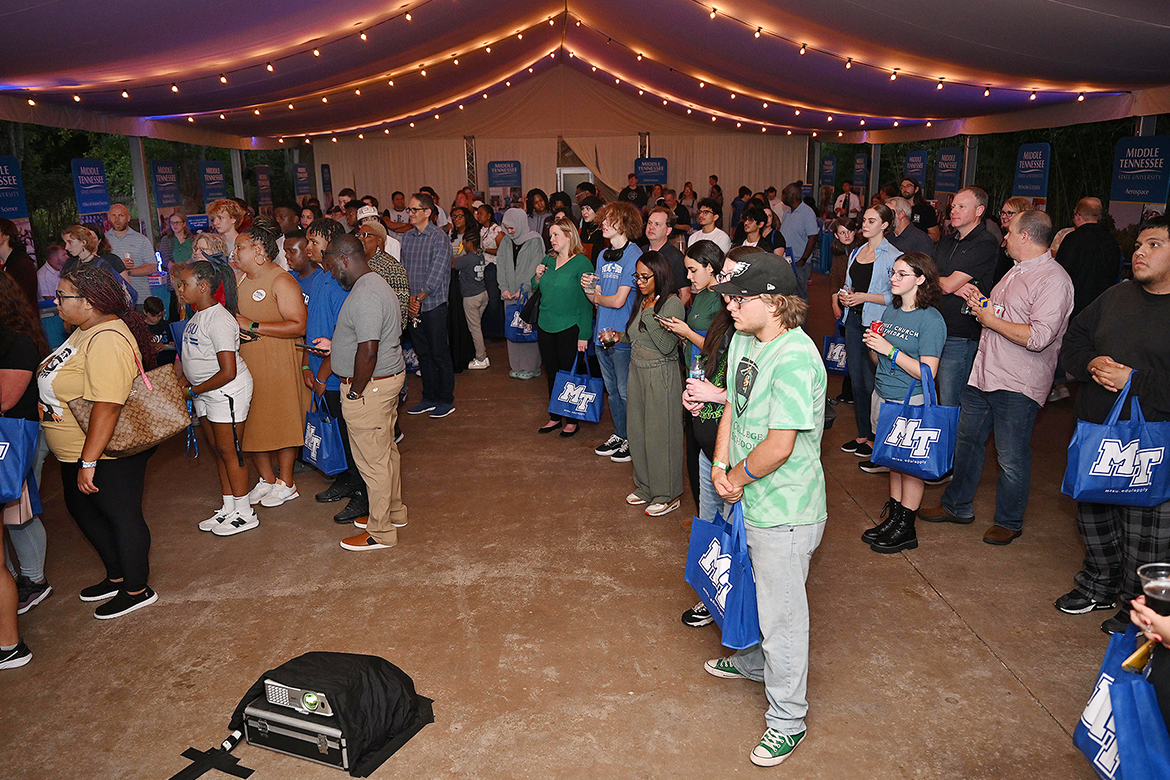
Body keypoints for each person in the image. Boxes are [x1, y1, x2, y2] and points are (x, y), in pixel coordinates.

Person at [704, 251, 827, 768]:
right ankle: (756, 661)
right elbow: (733, 404)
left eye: (740, 297)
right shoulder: (742, 341)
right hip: (745, 493)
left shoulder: (797, 356)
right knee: (754, 592)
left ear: (775, 302)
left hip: (787, 508)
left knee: (783, 616)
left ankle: (787, 720)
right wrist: (719, 462)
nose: (729, 305)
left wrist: (734, 479)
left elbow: (780, 445)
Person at [921, 210, 1074, 545]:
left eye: (1010, 231)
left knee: (1011, 456)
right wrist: (982, 303)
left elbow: (1038, 337)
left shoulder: (1054, 280)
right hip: (985, 374)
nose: (1003, 238)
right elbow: (1006, 314)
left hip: (1018, 382)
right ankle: (957, 506)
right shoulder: (1015, 272)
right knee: (968, 443)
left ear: (1025, 236)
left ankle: (1009, 520)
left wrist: (989, 319)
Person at [1057, 214, 1170, 634]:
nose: (1139, 252)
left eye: (1154, 244)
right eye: (1138, 244)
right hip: (1097, 430)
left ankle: (1136, 603)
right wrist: (1088, 362)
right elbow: (1074, 338)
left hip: (1153, 438)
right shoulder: (1117, 295)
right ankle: (1098, 584)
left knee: (1146, 531)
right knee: (1093, 516)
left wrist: (1133, 382)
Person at [38, 263, 160, 619]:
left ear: (88, 302)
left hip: (104, 452)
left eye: (62, 296)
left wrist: (89, 461)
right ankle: (117, 574)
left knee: (121, 514)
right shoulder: (83, 330)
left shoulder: (105, 339)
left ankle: (137, 588)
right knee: (85, 511)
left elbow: (107, 405)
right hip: (76, 449)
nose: (56, 301)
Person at [319, 235, 408, 552]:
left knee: (373, 463)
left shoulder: (367, 294)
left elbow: (368, 350)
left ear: (344, 259)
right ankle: (394, 512)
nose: (331, 273)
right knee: (385, 454)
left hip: (371, 387)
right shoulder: (372, 285)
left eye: (331, 266)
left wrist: (355, 392)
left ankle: (381, 531)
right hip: (382, 383)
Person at [857, 252, 946, 553]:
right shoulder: (892, 312)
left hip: (911, 400)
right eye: (893, 273)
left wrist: (890, 350)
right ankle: (894, 518)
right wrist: (874, 346)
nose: (892, 278)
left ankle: (906, 527)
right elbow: (880, 359)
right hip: (884, 395)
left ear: (921, 279)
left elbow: (927, 372)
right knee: (893, 462)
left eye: (901, 274)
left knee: (910, 466)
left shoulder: (931, 320)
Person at [173, 257, 256, 536]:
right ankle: (229, 506)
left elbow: (228, 371)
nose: (180, 289)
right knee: (219, 452)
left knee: (232, 452)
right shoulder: (197, 316)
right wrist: (185, 383)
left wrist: (193, 389)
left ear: (204, 286)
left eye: (185, 284)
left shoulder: (220, 319)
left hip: (225, 391)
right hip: (205, 393)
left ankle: (245, 513)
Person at [233, 225, 309, 508]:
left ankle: (286, 482)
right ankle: (266, 479)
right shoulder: (239, 280)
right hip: (247, 362)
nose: (235, 252)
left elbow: (298, 324)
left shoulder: (282, 281)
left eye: (241, 247)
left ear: (260, 252)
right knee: (253, 421)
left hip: (278, 360)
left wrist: (252, 325)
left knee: (281, 419)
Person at [305, 218, 368, 526]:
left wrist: (321, 376)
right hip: (319, 371)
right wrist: (308, 365)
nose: (308, 248)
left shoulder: (343, 283)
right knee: (340, 433)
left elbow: (342, 336)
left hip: (335, 373)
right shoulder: (320, 278)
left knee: (352, 433)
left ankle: (362, 490)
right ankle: (347, 477)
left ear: (332, 244)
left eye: (313, 242)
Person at [0, 273, 51, 619]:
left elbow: (5, 399)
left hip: (18, 434)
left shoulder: (17, 340)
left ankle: (34, 580)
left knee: (20, 512)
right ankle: (12, 580)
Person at [622, 251, 684, 515]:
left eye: (645, 276)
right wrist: (618, 336)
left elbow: (667, 345)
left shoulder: (672, 304)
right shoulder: (644, 299)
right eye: (637, 276)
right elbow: (637, 336)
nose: (640, 281)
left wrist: (648, 315)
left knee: (661, 435)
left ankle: (668, 494)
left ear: (659, 275)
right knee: (638, 432)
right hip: (637, 372)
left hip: (661, 374)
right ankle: (646, 486)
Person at [838, 205, 899, 465]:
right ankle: (863, 434)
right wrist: (845, 295)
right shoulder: (856, 252)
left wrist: (864, 297)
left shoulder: (894, 256)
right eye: (864, 220)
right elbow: (849, 284)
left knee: (874, 380)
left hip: (876, 324)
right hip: (852, 320)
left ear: (885, 225)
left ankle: (877, 436)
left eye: (872, 221)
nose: (864, 224)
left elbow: (895, 294)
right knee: (857, 380)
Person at [931, 187, 1002, 412]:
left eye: (962, 207)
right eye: (953, 207)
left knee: (951, 403)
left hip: (960, 334)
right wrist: (943, 283)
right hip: (934, 327)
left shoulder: (985, 242)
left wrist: (944, 284)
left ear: (979, 210)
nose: (954, 211)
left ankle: (952, 448)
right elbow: (922, 276)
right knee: (931, 395)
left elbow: (943, 283)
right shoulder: (947, 241)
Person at [584, 201, 643, 464]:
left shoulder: (634, 255)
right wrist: (588, 288)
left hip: (622, 335)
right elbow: (594, 298)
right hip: (601, 333)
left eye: (610, 219)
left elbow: (619, 301)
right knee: (612, 390)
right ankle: (619, 434)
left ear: (625, 223)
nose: (604, 223)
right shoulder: (602, 255)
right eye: (604, 219)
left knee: (624, 390)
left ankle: (632, 438)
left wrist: (597, 297)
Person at [532, 218, 594, 436]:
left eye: (556, 234)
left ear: (569, 235)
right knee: (552, 373)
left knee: (570, 374)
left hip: (570, 326)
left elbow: (587, 301)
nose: (552, 239)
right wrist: (538, 276)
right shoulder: (549, 259)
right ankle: (555, 416)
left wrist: (584, 334)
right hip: (545, 324)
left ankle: (572, 419)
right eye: (550, 235)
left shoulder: (583, 263)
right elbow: (535, 285)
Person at [402, 193, 456, 417]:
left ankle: (446, 399)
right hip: (414, 305)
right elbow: (403, 271)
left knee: (439, 353)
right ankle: (429, 397)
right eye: (409, 209)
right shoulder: (408, 237)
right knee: (422, 354)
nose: (411, 214)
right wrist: (410, 301)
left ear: (428, 212)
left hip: (433, 304)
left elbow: (436, 274)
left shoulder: (438, 237)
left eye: (415, 210)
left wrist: (418, 299)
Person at [497, 207, 545, 380]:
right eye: (507, 228)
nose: (510, 231)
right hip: (509, 294)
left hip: (528, 294)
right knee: (513, 330)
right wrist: (504, 288)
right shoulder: (505, 241)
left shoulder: (534, 240)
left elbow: (537, 266)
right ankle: (516, 365)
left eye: (512, 227)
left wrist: (523, 289)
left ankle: (531, 367)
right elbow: (500, 265)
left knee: (528, 331)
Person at [1056, 197, 1124, 320]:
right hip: (1101, 309)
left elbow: (1060, 273)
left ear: (1077, 215)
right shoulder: (1111, 241)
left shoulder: (1072, 239)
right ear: (1099, 216)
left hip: (1074, 309)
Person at [452, 220, 490, 370]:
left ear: (468, 243)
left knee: (475, 329)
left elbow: (452, 264)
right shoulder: (479, 255)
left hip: (471, 298)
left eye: (464, 244)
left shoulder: (467, 258)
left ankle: (481, 358)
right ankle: (479, 354)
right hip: (483, 294)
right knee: (476, 327)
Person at [105, 204, 156, 304]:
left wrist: (126, 272)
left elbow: (153, 267)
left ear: (128, 218)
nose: (117, 219)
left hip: (140, 298)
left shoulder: (142, 240)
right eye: (113, 215)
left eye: (121, 215)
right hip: (113, 301)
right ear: (109, 218)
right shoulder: (103, 241)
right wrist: (118, 267)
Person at [779, 183, 821, 301]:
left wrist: (803, 259)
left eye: (785, 193)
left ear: (793, 195)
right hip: (786, 260)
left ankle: (801, 320)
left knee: (799, 296)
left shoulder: (807, 213)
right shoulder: (787, 212)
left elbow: (813, 237)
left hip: (799, 262)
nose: (782, 196)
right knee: (787, 295)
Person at [642, 206, 690, 307]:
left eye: (657, 224)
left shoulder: (676, 257)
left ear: (668, 231)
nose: (651, 227)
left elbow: (685, 294)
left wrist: (669, 317)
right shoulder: (640, 252)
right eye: (649, 223)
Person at [991, 197, 1034, 284]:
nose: (1004, 216)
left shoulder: (1024, 240)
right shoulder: (1005, 237)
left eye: (1009, 213)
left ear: (1022, 215)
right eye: (1002, 212)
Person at [900, 177, 940, 242]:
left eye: (908, 186)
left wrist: (918, 239)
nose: (905, 189)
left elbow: (936, 236)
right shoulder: (898, 208)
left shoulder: (926, 209)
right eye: (902, 187)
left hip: (918, 246)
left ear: (916, 189)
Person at [283, 229, 319, 300]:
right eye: (285, 251)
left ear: (308, 251)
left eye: (292, 251)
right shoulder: (288, 277)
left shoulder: (321, 281)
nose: (286, 255)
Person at [578, 196, 604, 262]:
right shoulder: (580, 231)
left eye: (588, 208)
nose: (584, 212)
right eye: (582, 209)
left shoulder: (605, 232)